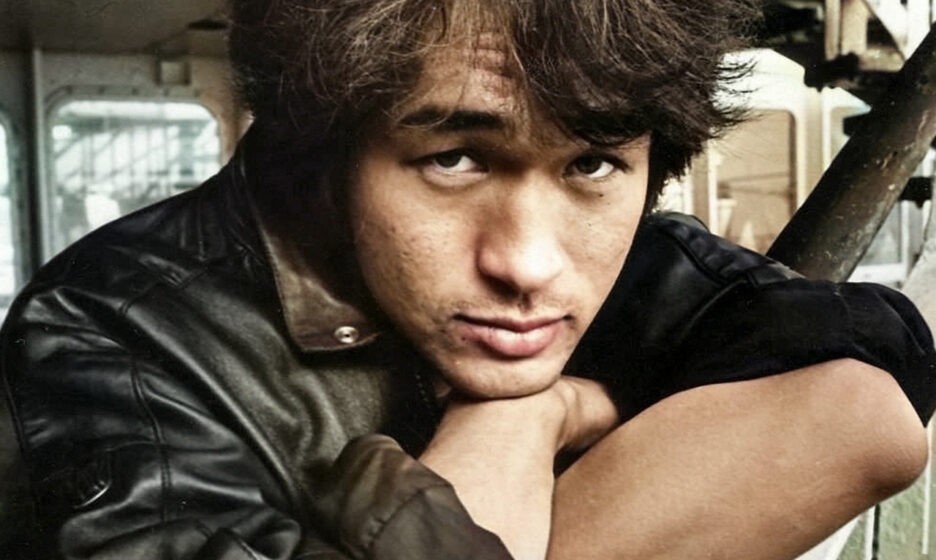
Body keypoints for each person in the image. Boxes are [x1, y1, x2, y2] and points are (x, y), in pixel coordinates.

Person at [2, 1, 935, 558]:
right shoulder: (104, 333)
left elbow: (872, 389)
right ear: (327, 151)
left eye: (591, 164)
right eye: (454, 159)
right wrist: (502, 442)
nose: (528, 264)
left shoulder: (637, 260)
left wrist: (526, 415)